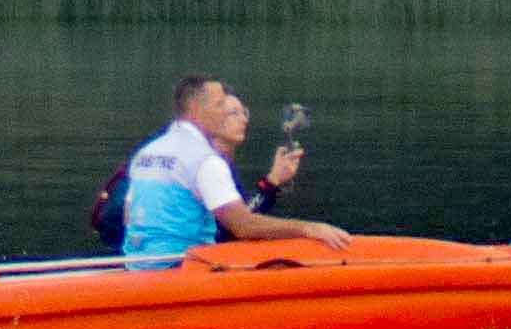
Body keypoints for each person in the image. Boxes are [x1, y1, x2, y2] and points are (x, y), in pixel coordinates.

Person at [114, 78, 344, 263]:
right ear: (195, 110)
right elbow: (243, 226)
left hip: (139, 265)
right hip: (182, 269)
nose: (226, 113)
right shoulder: (204, 160)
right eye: (220, 105)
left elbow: (128, 217)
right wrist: (309, 228)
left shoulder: (147, 153)